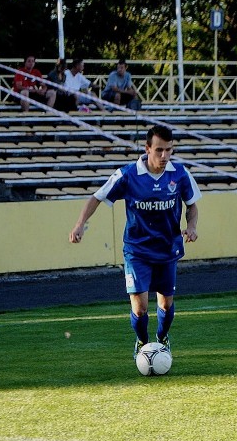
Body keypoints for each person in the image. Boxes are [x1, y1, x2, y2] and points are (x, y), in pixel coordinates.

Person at [69, 125, 202, 360]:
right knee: (140, 308)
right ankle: (142, 342)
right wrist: (80, 224)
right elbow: (96, 197)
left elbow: (192, 205)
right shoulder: (128, 175)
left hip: (167, 248)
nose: (164, 156)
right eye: (159, 150)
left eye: (169, 150)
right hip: (137, 250)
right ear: (147, 148)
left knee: (166, 305)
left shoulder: (180, 174)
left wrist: (191, 227)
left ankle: (162, 340)